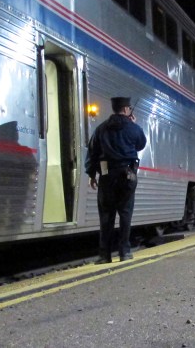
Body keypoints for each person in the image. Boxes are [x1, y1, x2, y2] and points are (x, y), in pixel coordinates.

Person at [85, 97, 147, 264]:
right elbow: (141, 144)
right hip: (128, 174)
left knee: (106, 215)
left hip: (106, 175)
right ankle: (125, 252)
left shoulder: (101, 129)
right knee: (125, 213)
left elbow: (92, 152)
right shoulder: (133, 128)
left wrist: (91, 174)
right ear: (126, 110)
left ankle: (104, 256)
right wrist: (133, 124)